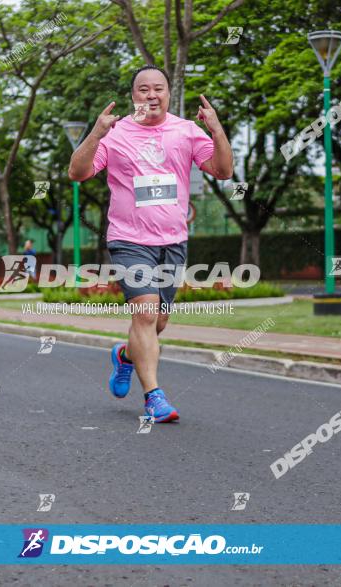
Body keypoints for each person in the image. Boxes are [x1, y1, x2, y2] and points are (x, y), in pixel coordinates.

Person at [68, 65, 233, 423]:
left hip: (172, 241)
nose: (151, 95)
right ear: (133, 96)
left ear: (169, 94)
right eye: (143, 89)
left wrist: (216, 130)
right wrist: (96, 133)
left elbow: (223, 171)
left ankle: (126, 355)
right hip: (128, 239)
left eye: (158, 88)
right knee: (144, 312)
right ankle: (154, 398)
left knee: (157, 322)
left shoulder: (186, 131)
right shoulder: (115, 134)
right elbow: (77, 173)